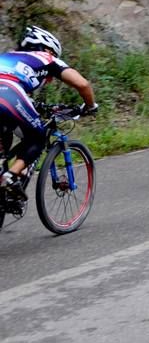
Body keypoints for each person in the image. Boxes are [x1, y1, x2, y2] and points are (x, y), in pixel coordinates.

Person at [0, 26, 97, 209]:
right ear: (47, 49)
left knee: (6, 133)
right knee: (37, 137)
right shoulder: (47, 58)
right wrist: (90, 106)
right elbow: (82, 84)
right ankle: (11, 177)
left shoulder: (8, 56)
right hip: (7, 91)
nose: (51, 80)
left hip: (8, 96)